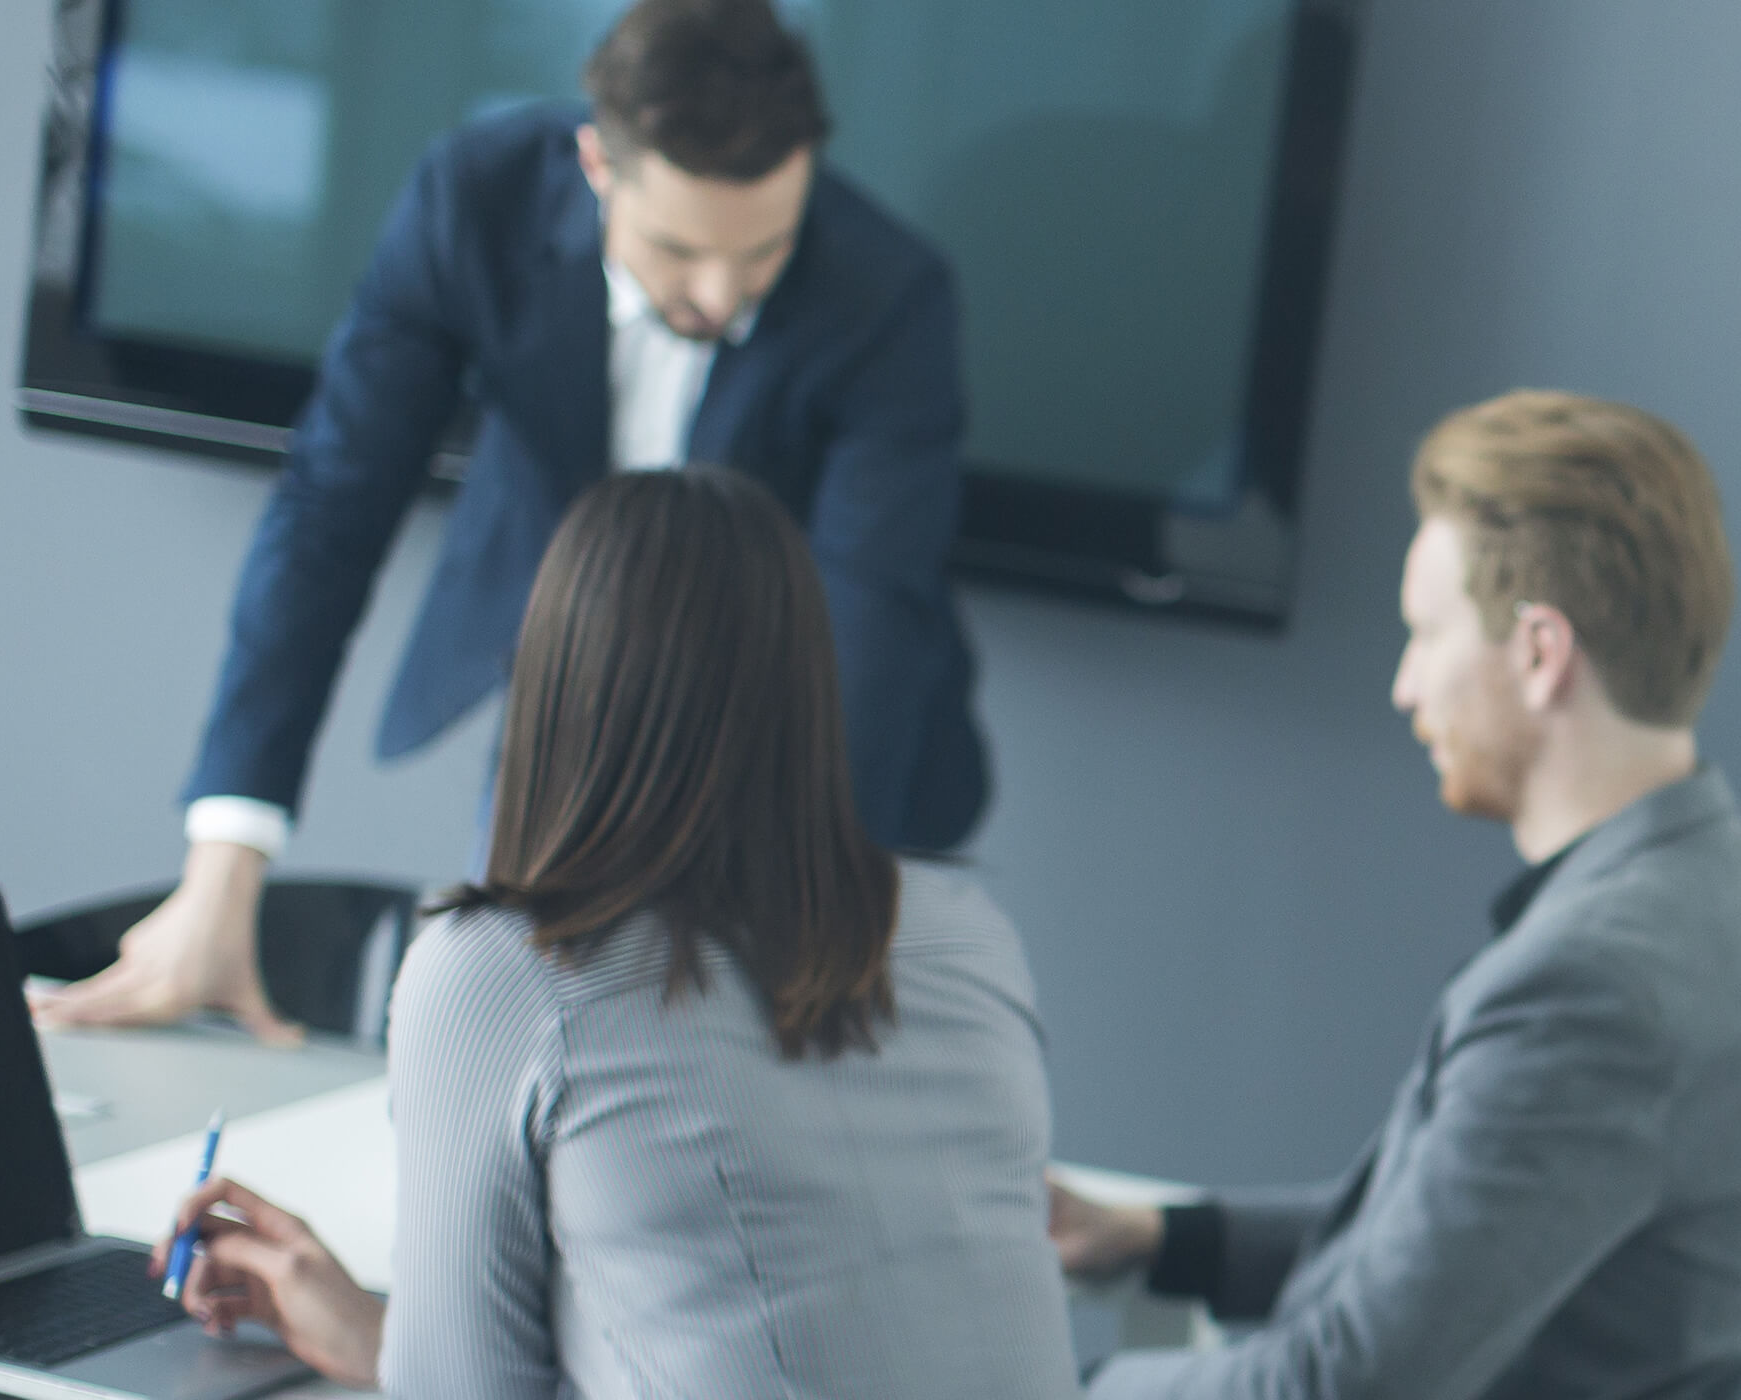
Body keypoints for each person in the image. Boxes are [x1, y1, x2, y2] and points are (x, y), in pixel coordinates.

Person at [38, 0, 987, 1043]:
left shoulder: (892, 292)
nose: (720, 293)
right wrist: (226, 860)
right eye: (678, 249)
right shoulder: (472, 201)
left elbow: (868, 611)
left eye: (761, 252)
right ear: (597, 165)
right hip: (563, 687)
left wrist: (806, 921)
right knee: (520, 1029)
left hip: (817, 734)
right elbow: (330, 507)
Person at [153, 468, 1078, 1398]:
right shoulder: (966, 931)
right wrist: (371, 1334)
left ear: (554, 683)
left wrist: (376, 1343)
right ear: (809, 679)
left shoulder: (502, 974)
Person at [1046, 391, 1741, 1400]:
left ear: (1539, 651)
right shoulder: (1727, 905)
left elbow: (1345, 1382)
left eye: (1425, 632)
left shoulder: (1599, 982)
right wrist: (1162, 1238)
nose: (1403, 683)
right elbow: (1452, 1240)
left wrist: (1064, 1385)